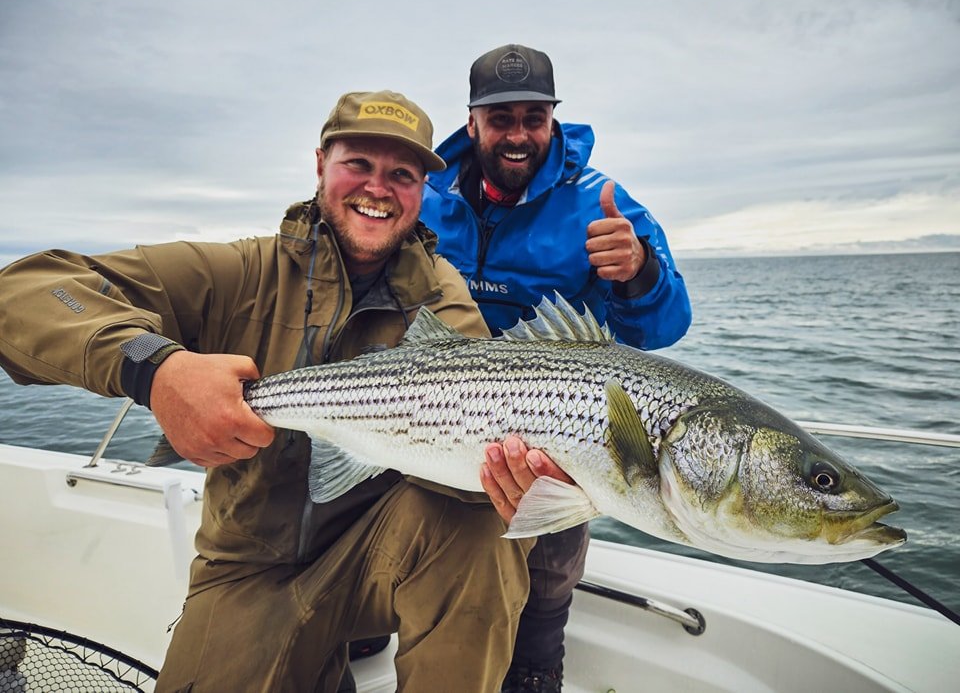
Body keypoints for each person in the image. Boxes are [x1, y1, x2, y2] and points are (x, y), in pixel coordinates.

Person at [0, 89, 572, 693]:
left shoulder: (439, 296)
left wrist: (512, 484)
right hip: (251, 568)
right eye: (359, 164)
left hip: (376, 554)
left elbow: (475, 437)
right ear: (320, 163)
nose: (378, 188)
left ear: (421, 190)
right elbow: (28, 290)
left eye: (401, 174)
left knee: (485, 531)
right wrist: (156, 368)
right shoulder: (241, 272)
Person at [420, 44, 693, 692]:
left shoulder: (599, 201)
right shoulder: (429, 198)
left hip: (553, 415)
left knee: (550, 566)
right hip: (436, 407)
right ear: (473, 120)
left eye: (534, 118)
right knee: (419, 533)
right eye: (502, 117)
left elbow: (666, 324)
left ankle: (537, 661)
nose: (518, 135)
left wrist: (639, 273)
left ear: (553, 121)